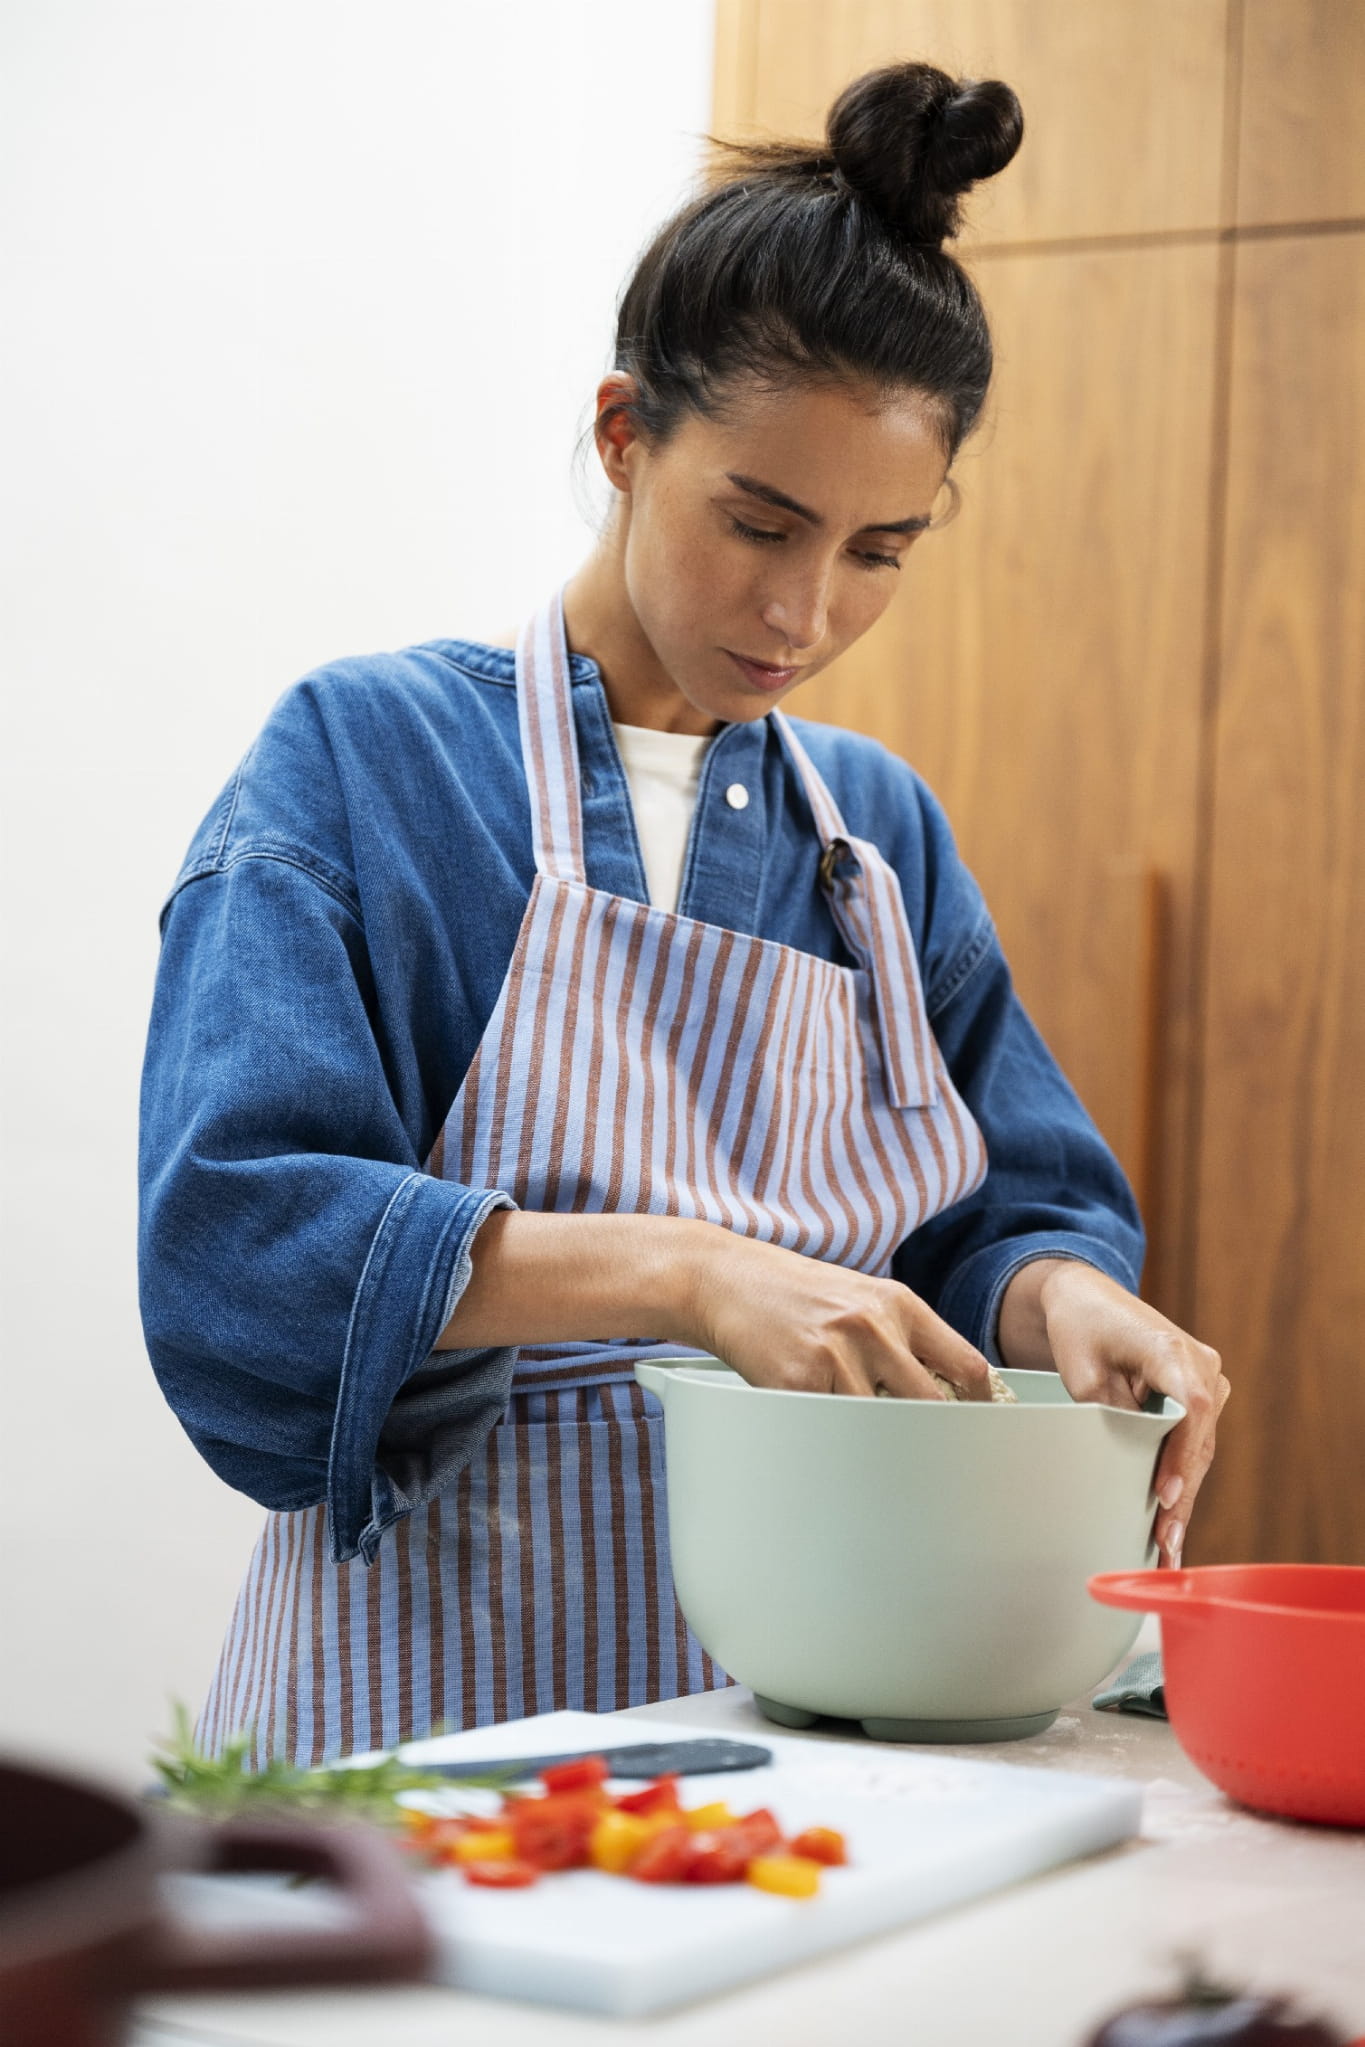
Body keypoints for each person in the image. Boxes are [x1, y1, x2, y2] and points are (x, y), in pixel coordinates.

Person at [138, 59, 1229, 1768]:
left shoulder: (876, 839)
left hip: (807, 1730)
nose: (803, 611)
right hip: (426, 1711)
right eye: (759, 523)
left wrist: (1056, 1299)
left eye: (878, 551)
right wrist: (687, 1273)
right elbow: (238, 1243)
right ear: (623, 436)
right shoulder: (366, 761)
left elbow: (993, 1220)